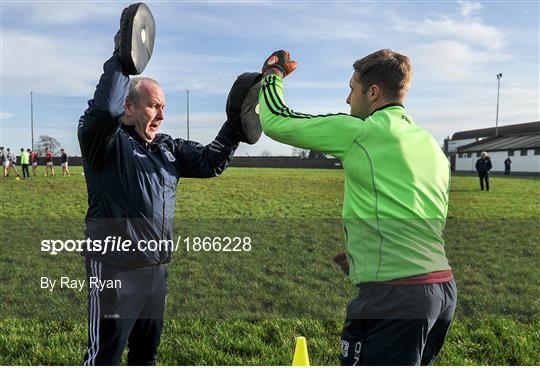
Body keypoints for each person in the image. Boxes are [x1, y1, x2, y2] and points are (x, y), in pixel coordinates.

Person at [259, 49, 456, 365]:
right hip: (441, 291)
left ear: (373, 92)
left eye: (352, 89)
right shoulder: (429, 144)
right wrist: (365, 256)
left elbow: (277, 121)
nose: (347, 100)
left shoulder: (364, 131)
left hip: (396, 297)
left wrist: (272, 75)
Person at [77, 19, 243, 366]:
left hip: (156, 271)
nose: (162, 115)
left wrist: (237, 121)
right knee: (104, 357)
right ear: (129, 106)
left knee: (145, 357)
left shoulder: (168, 147)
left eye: (163, 107)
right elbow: (103, 111)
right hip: (115, 270)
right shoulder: (106, 143)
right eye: (154, 106)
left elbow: (211, 161)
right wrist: (123, 60)